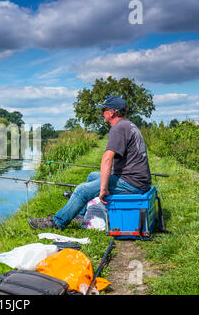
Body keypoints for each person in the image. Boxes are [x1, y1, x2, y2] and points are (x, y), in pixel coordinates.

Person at [28, 96, 152, 230]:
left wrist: (103, 188)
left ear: (112, 112)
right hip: (137, 180)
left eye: (104, 110)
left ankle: (57, 222)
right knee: (92, 176)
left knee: (82, 190)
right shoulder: (129, 125)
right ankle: (79, 217)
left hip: (131, 183)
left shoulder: (118, 128)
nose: (101, 113)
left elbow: (107, 158)